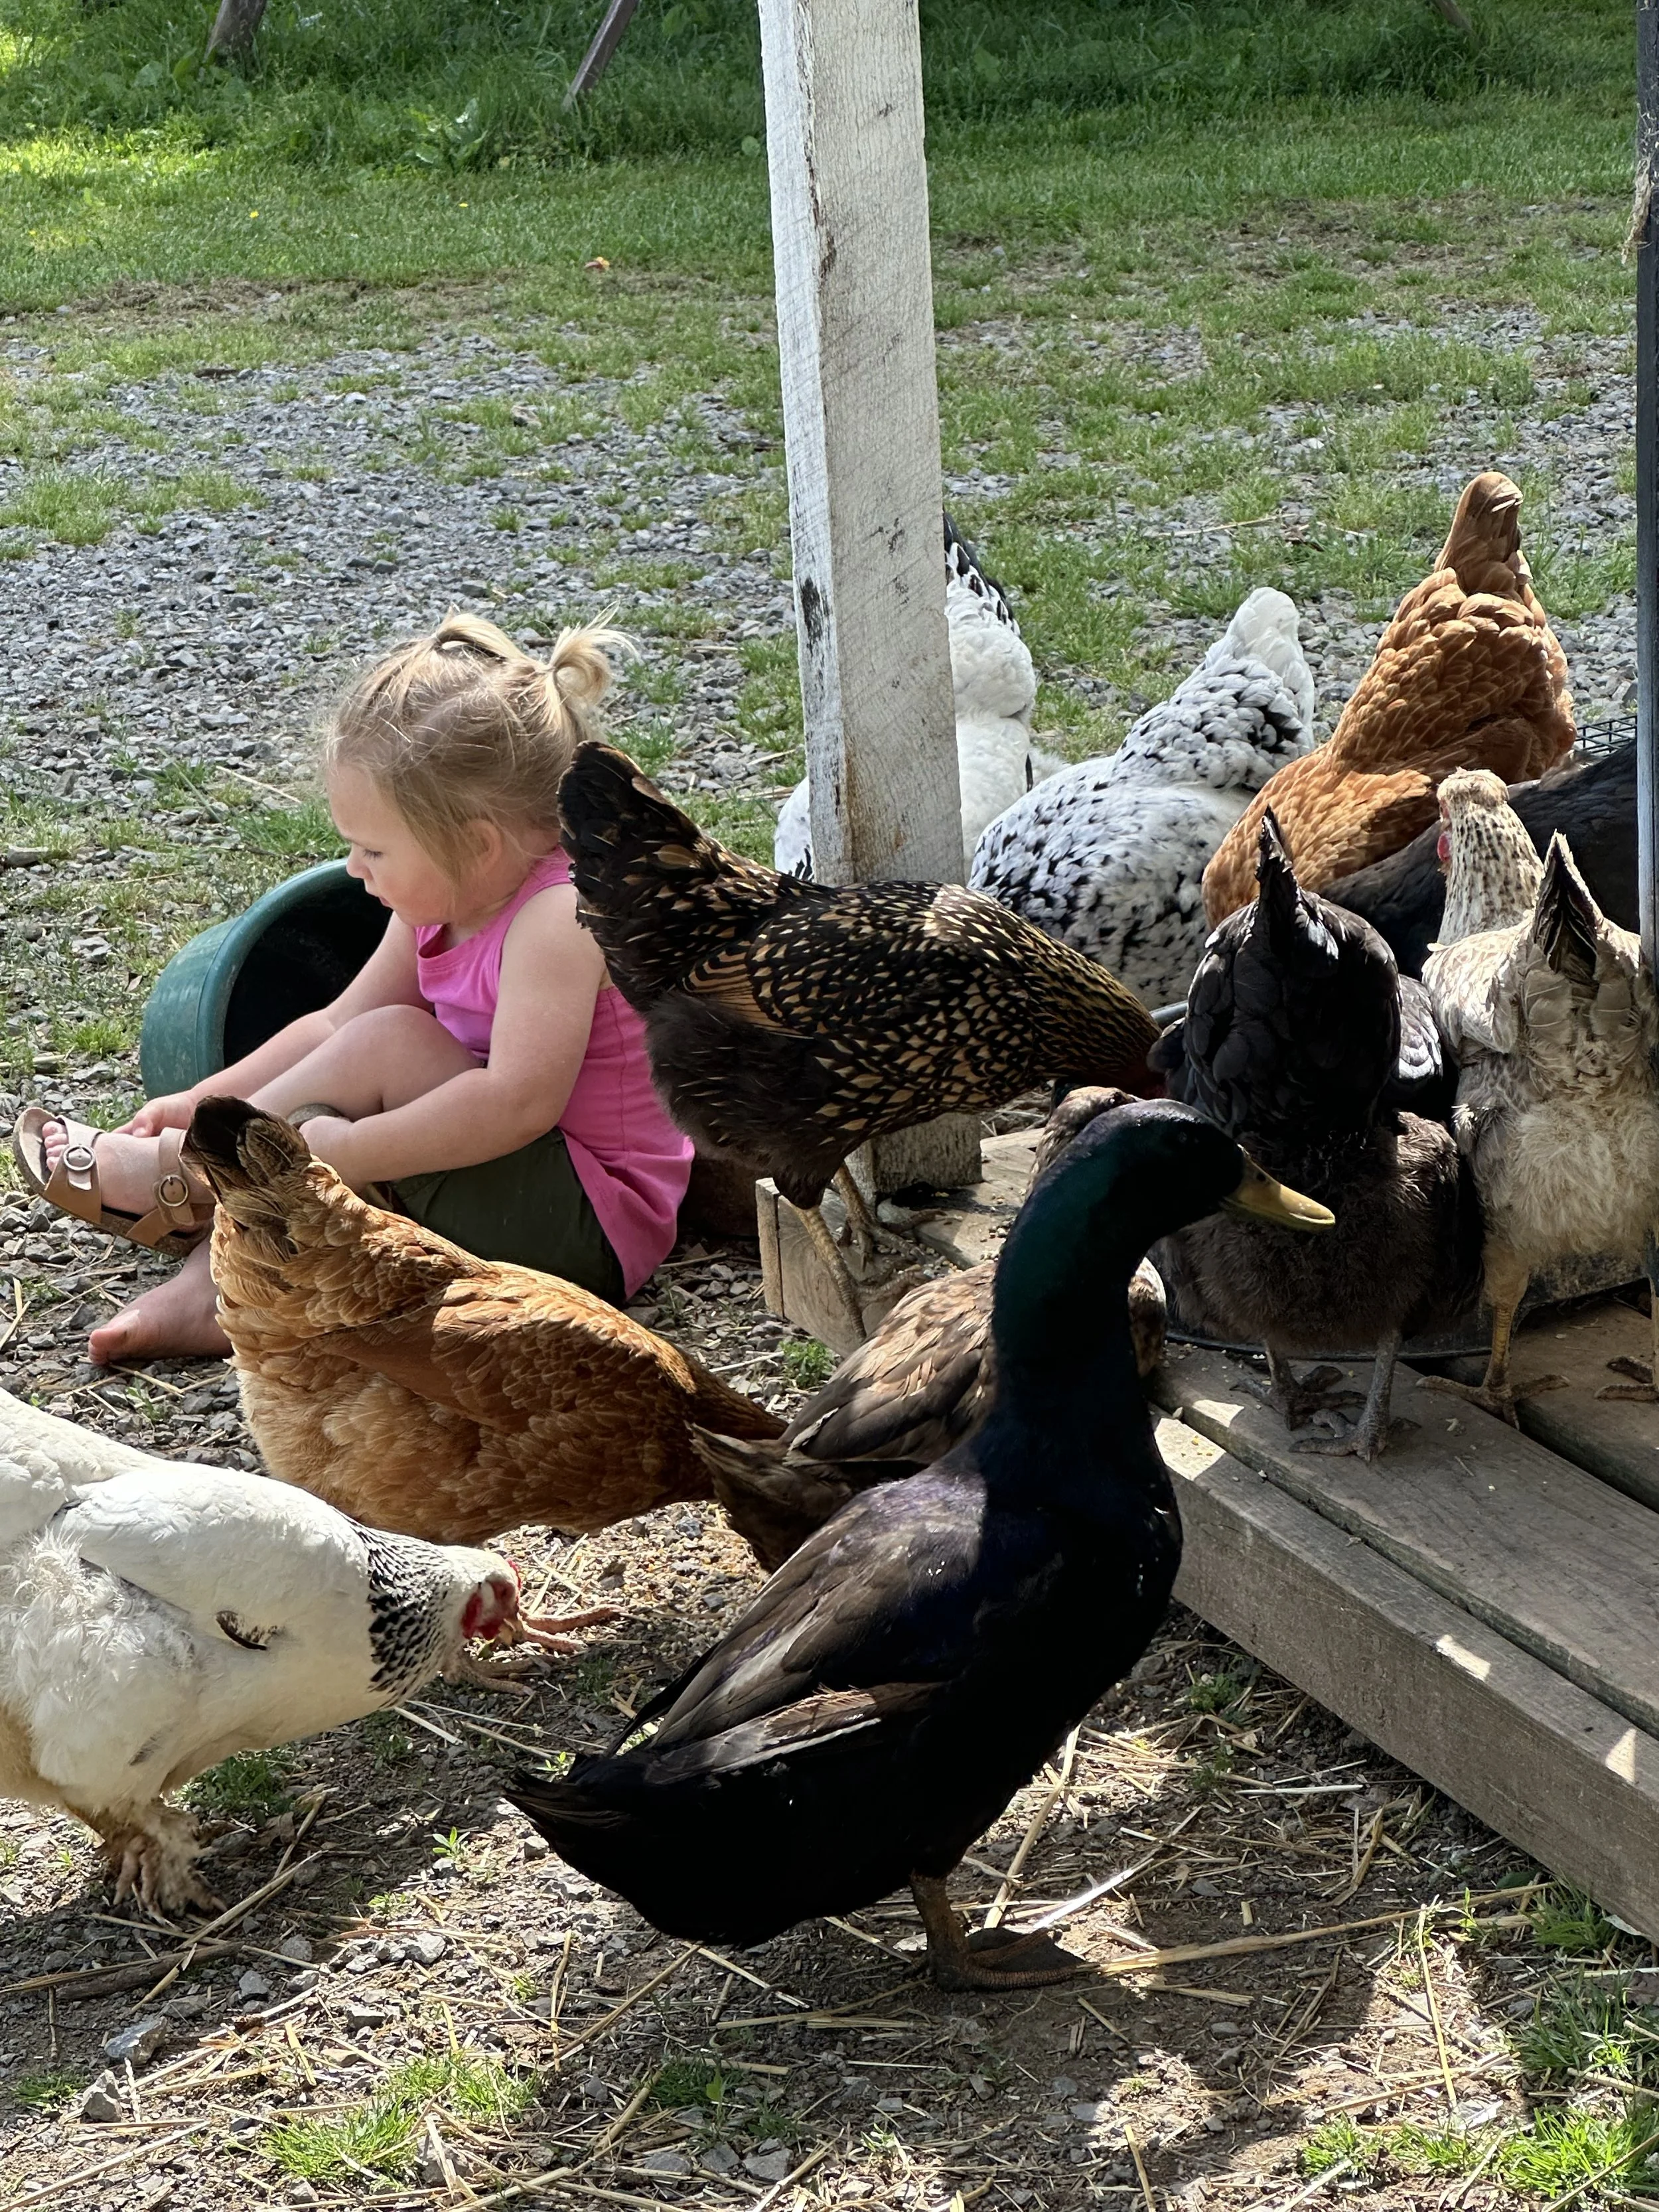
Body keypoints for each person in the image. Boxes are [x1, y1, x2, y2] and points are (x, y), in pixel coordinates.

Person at [13, 614, 693, 1366]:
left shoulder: (556, 917)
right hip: (490, 1170)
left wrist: (345, 1150)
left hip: (584, 1228)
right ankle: (224, 1286)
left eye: (372, 847)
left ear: (475, 843)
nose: (354, 868)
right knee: (362, 1046)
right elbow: (335, 1024)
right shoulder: (439, 900)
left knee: (392, 1044)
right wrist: (210, 1100)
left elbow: (516, 1102)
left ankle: (189, 1175)